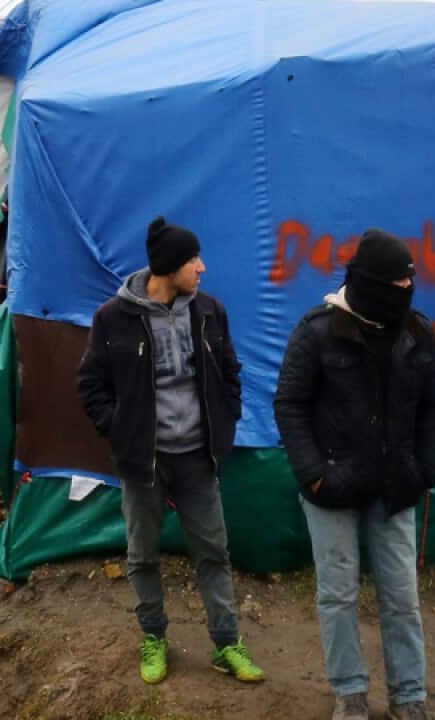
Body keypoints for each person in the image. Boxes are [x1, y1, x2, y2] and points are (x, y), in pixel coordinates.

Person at [77, 216, 265, 686]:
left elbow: (229, 369)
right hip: (144, 460)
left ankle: (226, 645)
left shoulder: (209, 312)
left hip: (199, 456)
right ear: (168, 267)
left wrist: (227, 419)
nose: (202, 268)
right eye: (192, 260)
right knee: (142, 553)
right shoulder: (112, 319)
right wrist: (119, 430)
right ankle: (154, 636)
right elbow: (90, 384)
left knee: (214, 552)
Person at [274, 229, 435, 720]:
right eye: (395, 281)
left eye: (409, 279)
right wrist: (314, 474)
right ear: (367, 282)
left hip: (395, 486)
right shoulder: (319, 330)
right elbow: (289, 404)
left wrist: (425, 468)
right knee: (338, 594)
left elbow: (432, 406)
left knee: (402, 598)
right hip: (334, 487)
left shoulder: (417, 330)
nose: (405, 288)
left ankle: (409, 697)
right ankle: (349, 693)